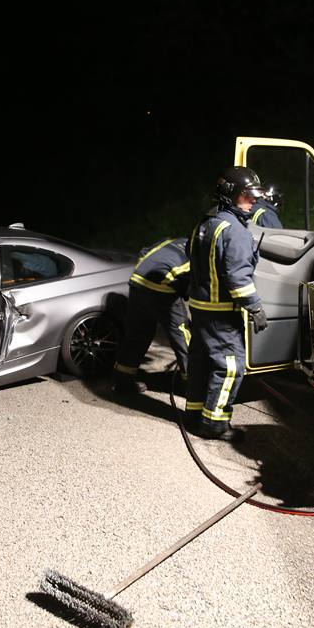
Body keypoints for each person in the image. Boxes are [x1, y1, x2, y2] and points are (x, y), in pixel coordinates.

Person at [183, 166, 269, 440]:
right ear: (230, 196)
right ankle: (214, 423)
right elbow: (238, 277)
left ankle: (194, 414)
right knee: (230, 366)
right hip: (222, 314)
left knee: (199, 362)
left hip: (199, 308)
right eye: (247, 196)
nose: (253, 201)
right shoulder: (235, 231)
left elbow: (192, 258)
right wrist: (255, 307)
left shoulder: (205, 223)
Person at [112, 237, 191, 394]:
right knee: (182, 335)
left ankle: (123, 382)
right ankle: (192, 387)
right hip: (162, 288)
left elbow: (144, 251)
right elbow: (191, 290)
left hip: (137, 281)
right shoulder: (200, 256)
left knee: (138, 334)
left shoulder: (173, 241)